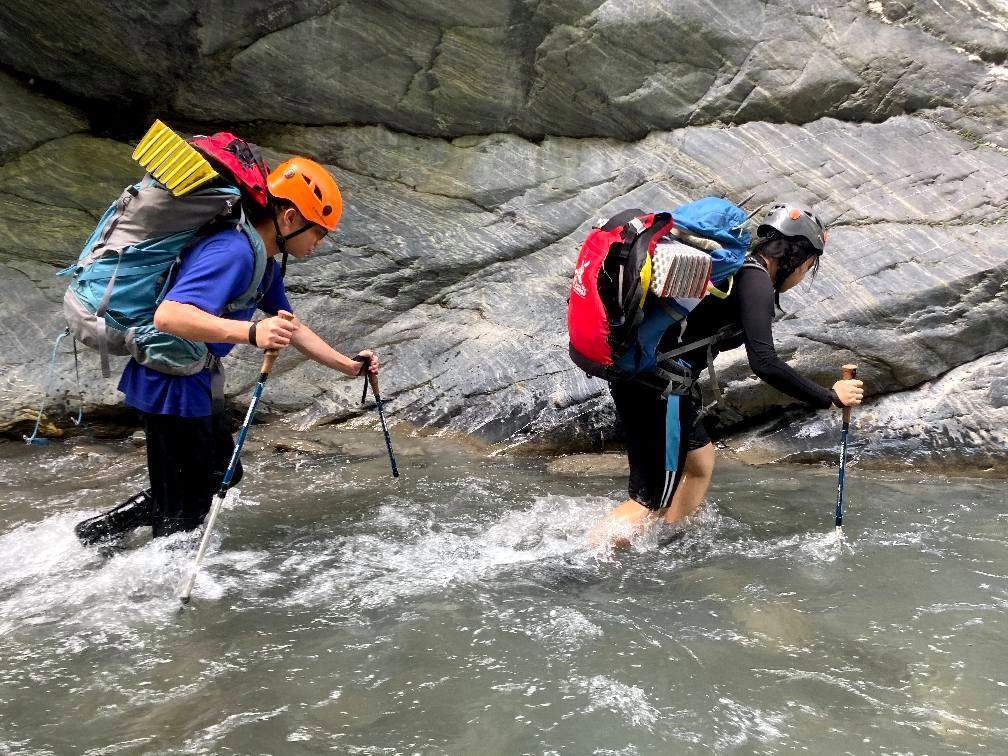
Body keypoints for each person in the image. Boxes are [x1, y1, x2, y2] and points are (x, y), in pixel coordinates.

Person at [75, 157, 378, 544]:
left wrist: (349, 367)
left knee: (222, 473)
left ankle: (102, 532)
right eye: (319, 232)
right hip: (168, 384)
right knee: (182, 514)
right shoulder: (232, 251)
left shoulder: (263, 262)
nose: (318, 244)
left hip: (195, 380)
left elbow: (291, 325)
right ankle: (150, 572)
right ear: (289, 218)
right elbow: (170, 316)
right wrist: (251, 333)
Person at [588, 202, 864, 548]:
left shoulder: (738, 270)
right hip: (660, 388)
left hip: (652, 380)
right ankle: (582, 567)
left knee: (700, 460)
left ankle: (669, 543)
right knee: (649, 500)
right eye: (808, 267)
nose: (802, 275)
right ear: (794, 258)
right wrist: (830, 397)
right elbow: (765, 363)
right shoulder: (756, 281)